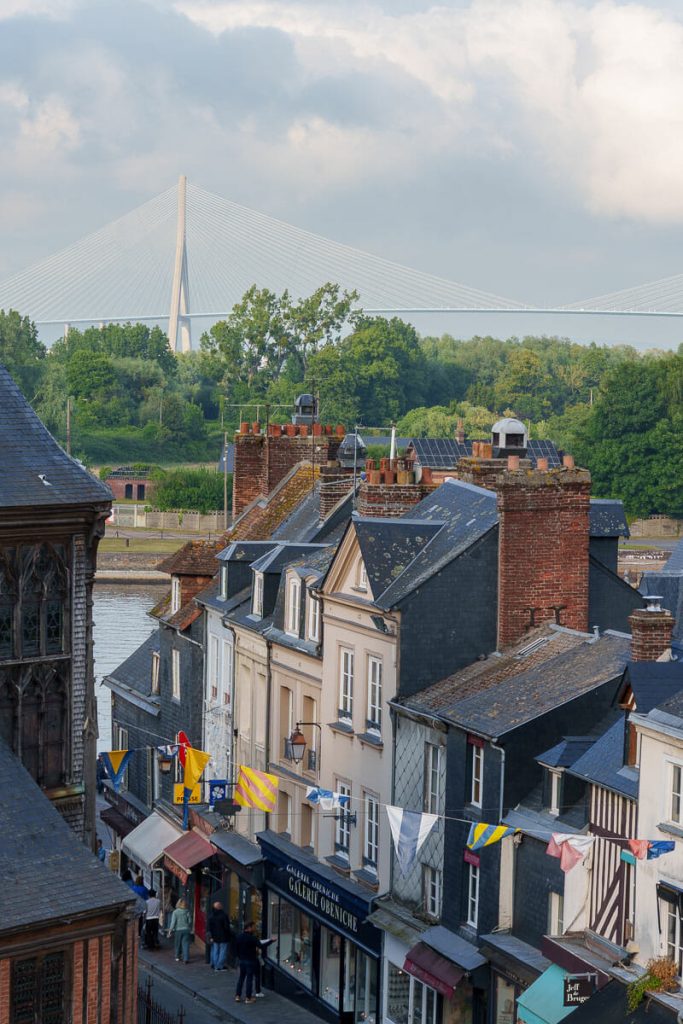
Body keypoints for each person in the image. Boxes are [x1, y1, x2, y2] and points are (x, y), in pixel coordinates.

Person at [235, 921, 260, 1003]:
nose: (254, 928)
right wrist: (271, 941)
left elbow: (236, 949)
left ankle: (237, 996)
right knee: (249, 979)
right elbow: (261, 945)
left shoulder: (239, 937)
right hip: (250, 960)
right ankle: (248, 998)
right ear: (249, 928)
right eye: (253, 927)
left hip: (242, 960)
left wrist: (239, 957)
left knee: (241, 978)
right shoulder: (252, 938)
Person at [207, 901, 232, 971]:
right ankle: (219, 966)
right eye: (220, 905)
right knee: (223, 952)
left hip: (215, 936)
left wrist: (211, 936)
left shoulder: (211, 916)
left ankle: (215, 965)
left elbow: (209, 927)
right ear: (219, 907)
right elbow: (227, 927)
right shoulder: (224, 915)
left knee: (215, 951)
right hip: (224, 936)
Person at [168, 898, 192, 964]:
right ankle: (186, 958)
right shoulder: (187, 911)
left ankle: (177, 956)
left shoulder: (175, 912)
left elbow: (173, 922)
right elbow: (190, 921)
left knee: (177, 944)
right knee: (186, 944)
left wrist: (170, 930)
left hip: (178, 930)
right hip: (186, 929)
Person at [131, 875, 149, 939]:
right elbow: (146, 898)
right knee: (140, 919)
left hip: (134, 905)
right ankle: (138, 933)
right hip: (141, 906)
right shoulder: (144, 889)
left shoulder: (133, 887)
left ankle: (133, 931)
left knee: (134, 918)